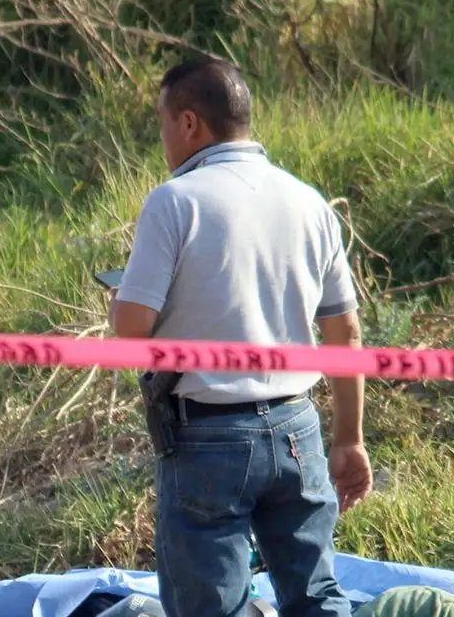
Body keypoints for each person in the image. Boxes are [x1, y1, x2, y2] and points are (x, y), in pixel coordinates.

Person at [107, 58, 373, 617]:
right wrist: (348, 437)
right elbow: (344, 332)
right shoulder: (309, 202)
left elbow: (131, 331)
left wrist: (119, 297)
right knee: (319, 598)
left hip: (208, 434)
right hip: (298, 428)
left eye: (161, 125)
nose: (163, 141)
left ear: (187, 123)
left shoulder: (174, 202)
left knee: (213, 606)